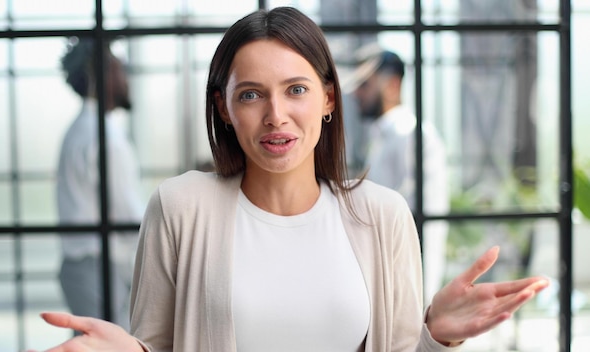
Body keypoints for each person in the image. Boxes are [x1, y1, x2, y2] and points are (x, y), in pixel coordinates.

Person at [33, 7, 548, 352]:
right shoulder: (179, 207)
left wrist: (434, 336)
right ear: (225, 108)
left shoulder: (383, 215)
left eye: (296, 89)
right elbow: (155, 344)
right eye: (252, 94)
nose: (276, 115)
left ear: (327, 98)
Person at [346, 45, 450, 304]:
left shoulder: (410, 134)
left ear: (392, 85)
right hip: (386, 270)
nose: (357, 93)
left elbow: (412, 211)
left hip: (405, 275)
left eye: (365, 84)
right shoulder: (384, 135)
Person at [56, 37, 144, 332]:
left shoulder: (80, 130)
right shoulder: (104, 137)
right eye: (121, 70)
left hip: (85, 266)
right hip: (95, 266)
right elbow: (126, 214)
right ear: (102, 76)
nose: (126, 78)